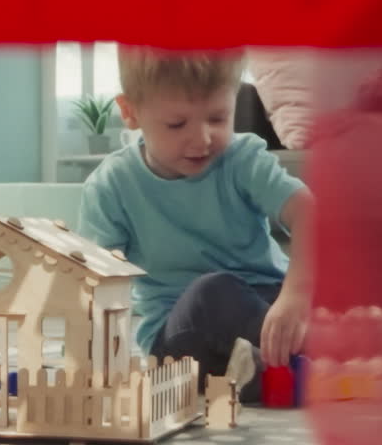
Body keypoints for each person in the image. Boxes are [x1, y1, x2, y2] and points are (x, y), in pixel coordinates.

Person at [79, 48, 313, 401]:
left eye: (218, 118)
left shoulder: (242, 158)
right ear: (130, 112)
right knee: (211, 294)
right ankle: (307, 358)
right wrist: (98, 364)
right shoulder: (112, 185)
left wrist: (296, 295)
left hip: (263, 306)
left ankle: (268, 372)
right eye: (177, 124)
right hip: (181, 339)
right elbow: (96, 283)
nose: (202, 139)